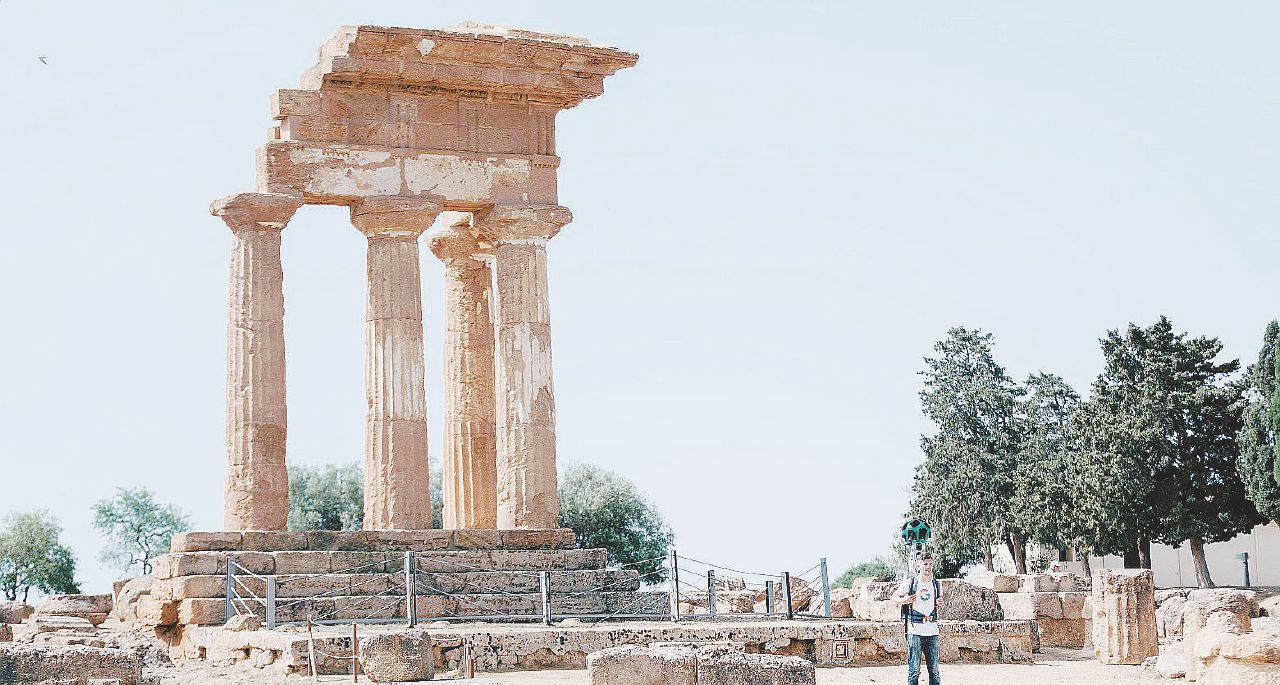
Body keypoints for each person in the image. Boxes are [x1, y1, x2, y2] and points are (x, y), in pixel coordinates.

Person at [894, 551, 942, 685]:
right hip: (915, 631)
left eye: (931, 564)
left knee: (934, 671)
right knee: (914, 670)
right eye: (925, 564)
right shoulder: (911, 582)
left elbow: (937, 603)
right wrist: (905, 600)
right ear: (918, 564)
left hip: (932, 631)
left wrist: (939, 602)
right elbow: (894, 597)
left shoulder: (937, 585)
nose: (928, 567)